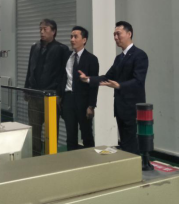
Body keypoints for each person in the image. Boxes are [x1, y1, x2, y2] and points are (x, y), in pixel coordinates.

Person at [79, 21, 149, 154]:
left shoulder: (140, 55)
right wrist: (88, 79)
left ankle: (135, 164)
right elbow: (107, 77)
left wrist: (119, 85)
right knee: (124, 143)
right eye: (114, 35)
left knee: (132, 145)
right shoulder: (119, 58)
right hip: (120, 108)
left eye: (118, 34)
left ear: (129, 34)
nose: (116, 37)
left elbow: (138, 81)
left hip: (132, 108)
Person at [24, 19, 69, 156]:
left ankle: (51, 158)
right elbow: (30, 69)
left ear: (53, 31)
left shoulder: (61, 49)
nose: (42, 32)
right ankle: (35, 156)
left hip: (51, 96)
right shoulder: (35, 47)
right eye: (40, 29)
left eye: (45, 29)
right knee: (34, 129)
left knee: (51, 130)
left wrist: (60, 95)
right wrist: (27, 89)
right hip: (34, 95)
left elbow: (64, 75)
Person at [62, 26, 99, 151]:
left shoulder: (91, 59)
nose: (72, 39)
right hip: (68, 99)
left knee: (86, 135)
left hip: (83, 102)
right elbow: (63, 77)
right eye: (71, 36)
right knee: (70, 135)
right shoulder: (67, 57)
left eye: (75, 37)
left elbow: (94, 85)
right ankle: (71, 160)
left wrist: (91, 106)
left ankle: (90, 159)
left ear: (84, 40)